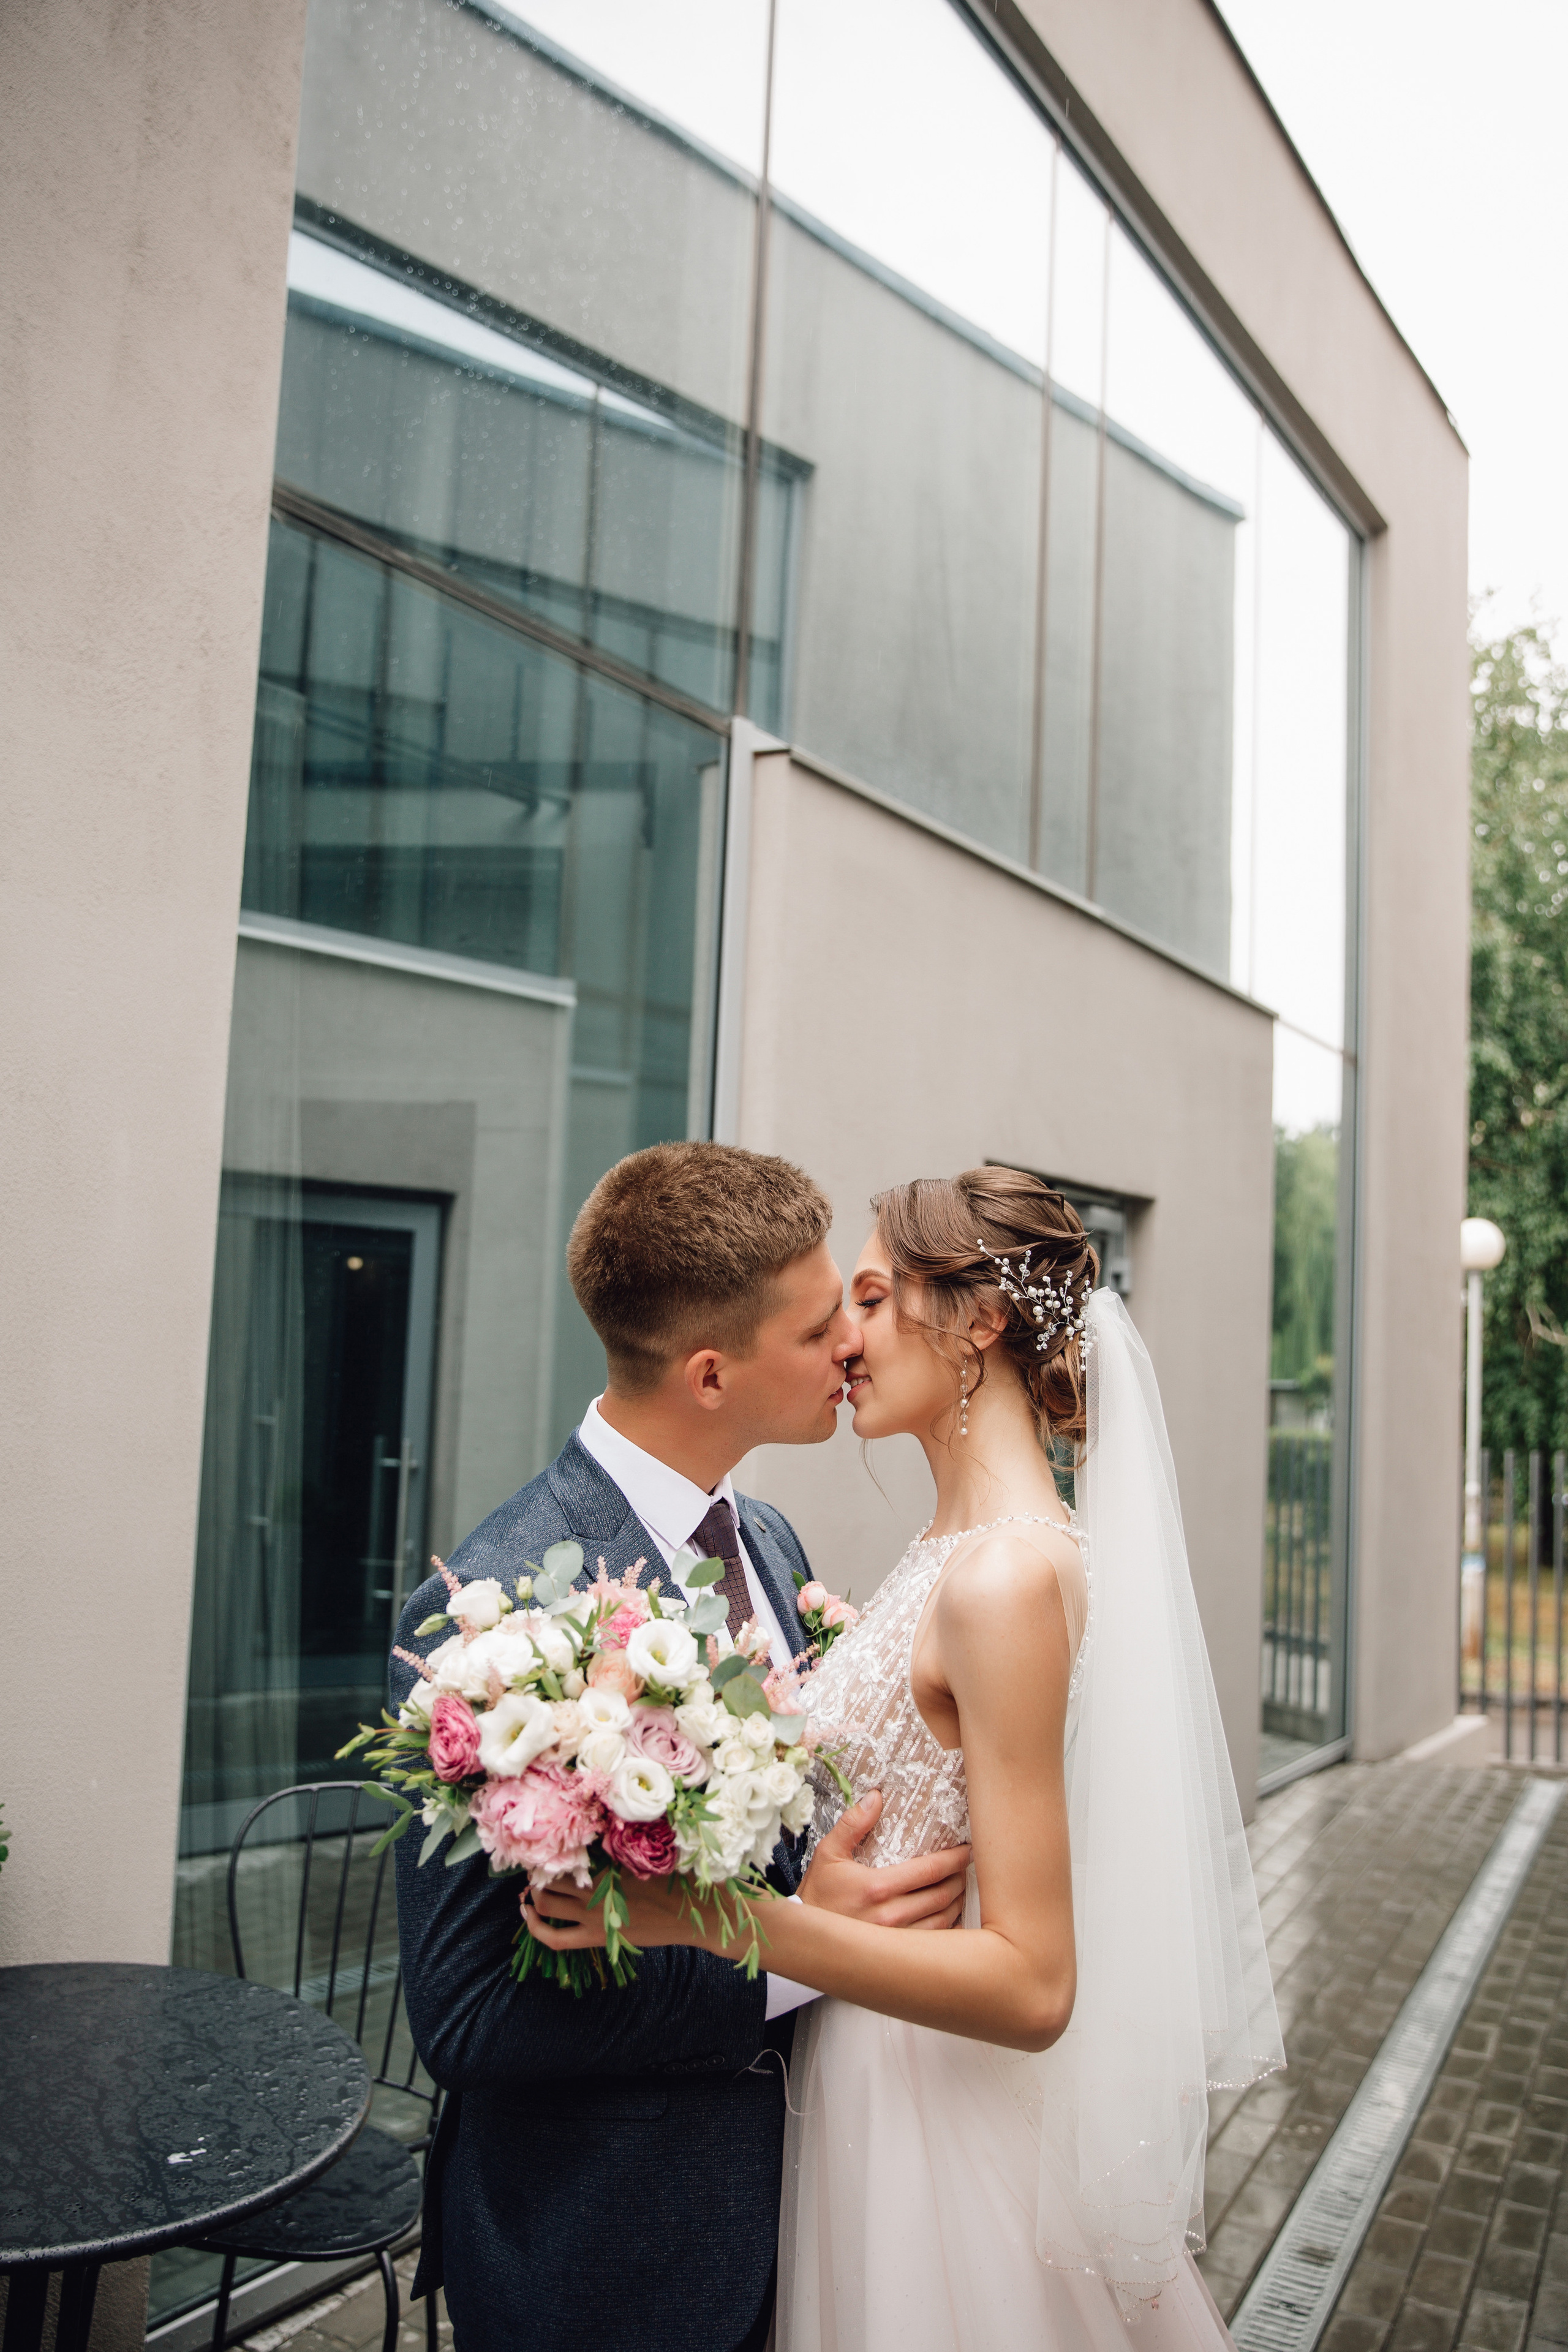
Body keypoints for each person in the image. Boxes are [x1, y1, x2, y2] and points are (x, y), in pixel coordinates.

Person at [529, 1166, 1284, 2352]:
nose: (844, 1340)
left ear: (979, 1321)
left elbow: (1035, 1985)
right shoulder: (969, 1552)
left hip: (933, 2119)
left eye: (872, 1301)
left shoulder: (997, 1579)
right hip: (869, 2081)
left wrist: (719, 1921)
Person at [388, 1142, 971, 2352]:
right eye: (820, 1331)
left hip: (808, 2216)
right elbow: (469, 2017)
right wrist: (801, 1953)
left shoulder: (767, 1541)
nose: (849, 1349)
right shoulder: (493, 1611)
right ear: (711, 1374)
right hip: (612, 2260)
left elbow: (788, 1842)